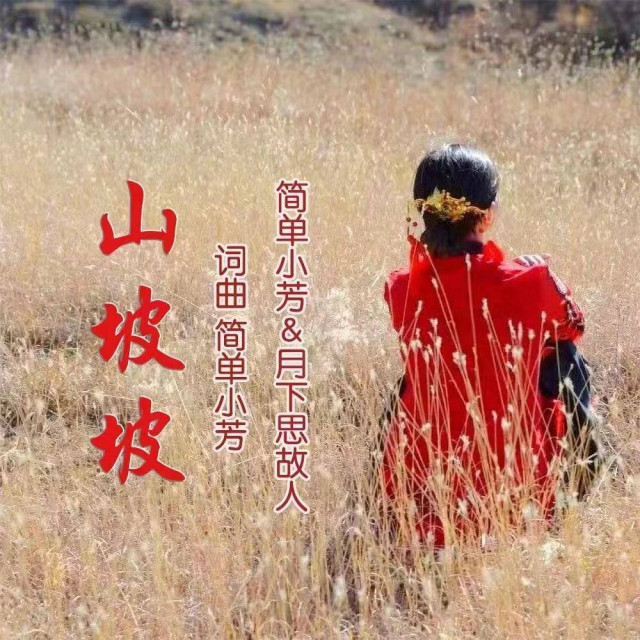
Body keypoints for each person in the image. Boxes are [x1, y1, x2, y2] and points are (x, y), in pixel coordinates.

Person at [374, 143, 600, 550]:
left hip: (416, 501)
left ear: (423, 211)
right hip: (516, 500)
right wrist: (536, 270)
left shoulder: (401, 288)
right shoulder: (529, 282)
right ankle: (585, 473)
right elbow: (574, 325)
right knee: (566, 357)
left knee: (414, 374)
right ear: (488, 215)